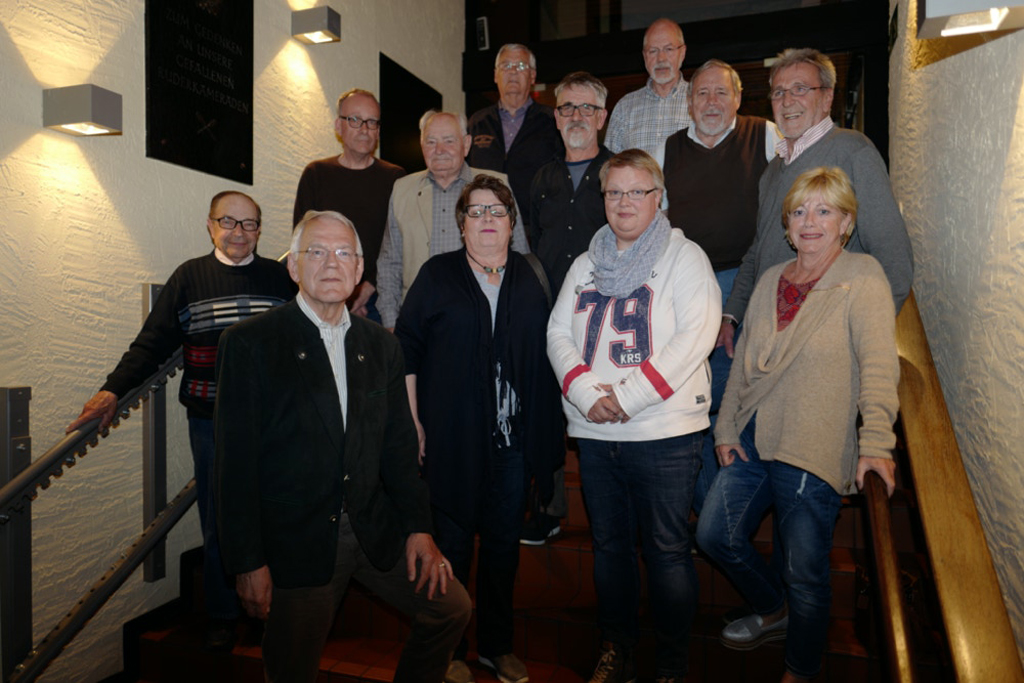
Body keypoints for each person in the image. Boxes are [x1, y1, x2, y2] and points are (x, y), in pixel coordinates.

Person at [215, 210, 472, 683]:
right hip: (297, 541)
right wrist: (248, 562)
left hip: (373, 526)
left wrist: (419, 528)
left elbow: (399, 448)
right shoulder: (250, 343)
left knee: (451, 607)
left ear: (359, 270)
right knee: (291, 670)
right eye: (317, 251)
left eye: (343, 253)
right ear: (294, 265)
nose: (331, 263)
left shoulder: (382, 346)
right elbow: (235, 466)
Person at [66, 191, 295, 651]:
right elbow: (152, 343)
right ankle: (223, 613)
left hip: (273, 424)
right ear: (210, 225)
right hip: (211, 422)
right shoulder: (189, 277)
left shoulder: (281, 279)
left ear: (259, 230)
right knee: (218, 520)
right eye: (228, 221)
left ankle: (272, 611)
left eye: (249, 223)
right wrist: (113, 389)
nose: (238, 232)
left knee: (275, 515)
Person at [696, 167, 900, 683]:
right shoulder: (770, 279)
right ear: (786, 225)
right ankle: (774, 609)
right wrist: (725, 430)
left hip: (814, 442)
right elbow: (742, 366)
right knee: (715, 534)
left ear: (846, 222)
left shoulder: (864, 276)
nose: (810, 222)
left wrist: (876, 442)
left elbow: (879, 367)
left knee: (805, 574)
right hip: (753, 437)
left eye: (824, 211)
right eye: (799, 212)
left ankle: (801, 669)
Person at [547, 150, 720, 683]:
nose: (624, 202)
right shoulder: (585, 263)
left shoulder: (684, 257)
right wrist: (583, 391)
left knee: (667, 551)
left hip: (665, 433)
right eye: (614, 192)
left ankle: (670, 665)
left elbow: (696, 336)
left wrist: (627, 398)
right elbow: (557, 332)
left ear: (658, 198)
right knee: (610, 550)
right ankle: (616, 649)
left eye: (637, 191)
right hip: (596, 433)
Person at [395, 175, 563, 683]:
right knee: (451, 546)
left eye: (497, 211)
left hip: (512, 442)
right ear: (461, 225)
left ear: (512, 224)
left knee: (502, 548)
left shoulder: (530, 277)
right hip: (451, 441)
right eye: (476, 211)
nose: (487, 219)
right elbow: (406, 349)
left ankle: (496, 646)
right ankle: (450, 649)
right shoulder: (437, 274)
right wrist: (414, 420)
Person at [718, 48, 913, 362]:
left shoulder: (853, 151)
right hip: (769, 339)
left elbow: (893, 258)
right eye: (779, 92)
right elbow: (758, 251)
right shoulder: (772, 172)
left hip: (825, 348)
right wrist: (731, 316)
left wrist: (859, 340)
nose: (787, 101)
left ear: (826, 98)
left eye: (800, 89)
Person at [660, 58, 780, 510]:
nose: (711, 102)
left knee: (727, 395)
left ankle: (725, 508)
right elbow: (655, 220)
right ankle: (713, 509)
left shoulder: (765, 135)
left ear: (738, 98)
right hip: (687, 284)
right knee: (690, 397)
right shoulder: (666, 149)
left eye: (721, 92)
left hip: (745, 283)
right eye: (702, 93)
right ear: (689, 103)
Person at [523, 70, 613, 546]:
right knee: (547, 414)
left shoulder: (620, 173)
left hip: (607, 314)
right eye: (567, 108)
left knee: (602, 404)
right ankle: (550, 508)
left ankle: (611, 518)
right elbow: (533, 240)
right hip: (550, 311)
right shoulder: (542, 177)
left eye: (586, 108)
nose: (576, 116)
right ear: (556, 118)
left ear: (602, 116)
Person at [377, 110, 530, 329]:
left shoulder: (495, 186)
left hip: (484, 319)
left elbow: (520, 257)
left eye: (449, 141)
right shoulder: (402, 190)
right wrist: (391, 323)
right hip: (418, 320)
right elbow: (389, 263)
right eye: (431, 142)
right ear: (421, 145)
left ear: (466, 144)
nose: (439, 150)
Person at [292, 88, 406, 322]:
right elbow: (303, 242)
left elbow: (398, 245)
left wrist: (362, 293)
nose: (364, 129)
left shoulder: (395, 178)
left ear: (378, 130)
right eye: (355, 120)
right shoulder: (316, 174)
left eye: (372, 122)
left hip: (378, 298)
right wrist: (342, 294)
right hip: (324, 291)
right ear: (338, 126)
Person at [467, 43, 563, 228]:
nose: (512, 72)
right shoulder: (477, 122)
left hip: (535, 228)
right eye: (505, 66)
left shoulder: (552, 122)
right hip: (484, 225)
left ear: (532, 75)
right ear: (495, 75)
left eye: (520, 66)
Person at [604, 18, 691, 162]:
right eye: (653, 51)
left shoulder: (699, 100)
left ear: (682, 53)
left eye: (668, 49)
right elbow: (610, 165)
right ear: (645, 56)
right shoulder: (624, 107)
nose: (661, 58)